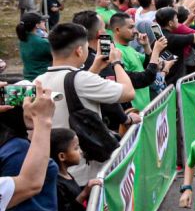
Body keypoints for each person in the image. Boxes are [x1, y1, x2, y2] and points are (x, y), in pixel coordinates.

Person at [36, 22, 135, 183]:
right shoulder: (82, 80)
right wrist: (117, 63)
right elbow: (128, 92)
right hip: (86, 170)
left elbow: (73, 89)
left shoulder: (39, 81)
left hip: (57, 169)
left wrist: (95, 67)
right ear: (79, 50)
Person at [17, 12, 52, 81]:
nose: (45, 22)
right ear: (37, 25)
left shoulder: (23, 39)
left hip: (28, 78)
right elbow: (59, 57)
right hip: (42, 79)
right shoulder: (42, 42)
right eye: (42, 21)